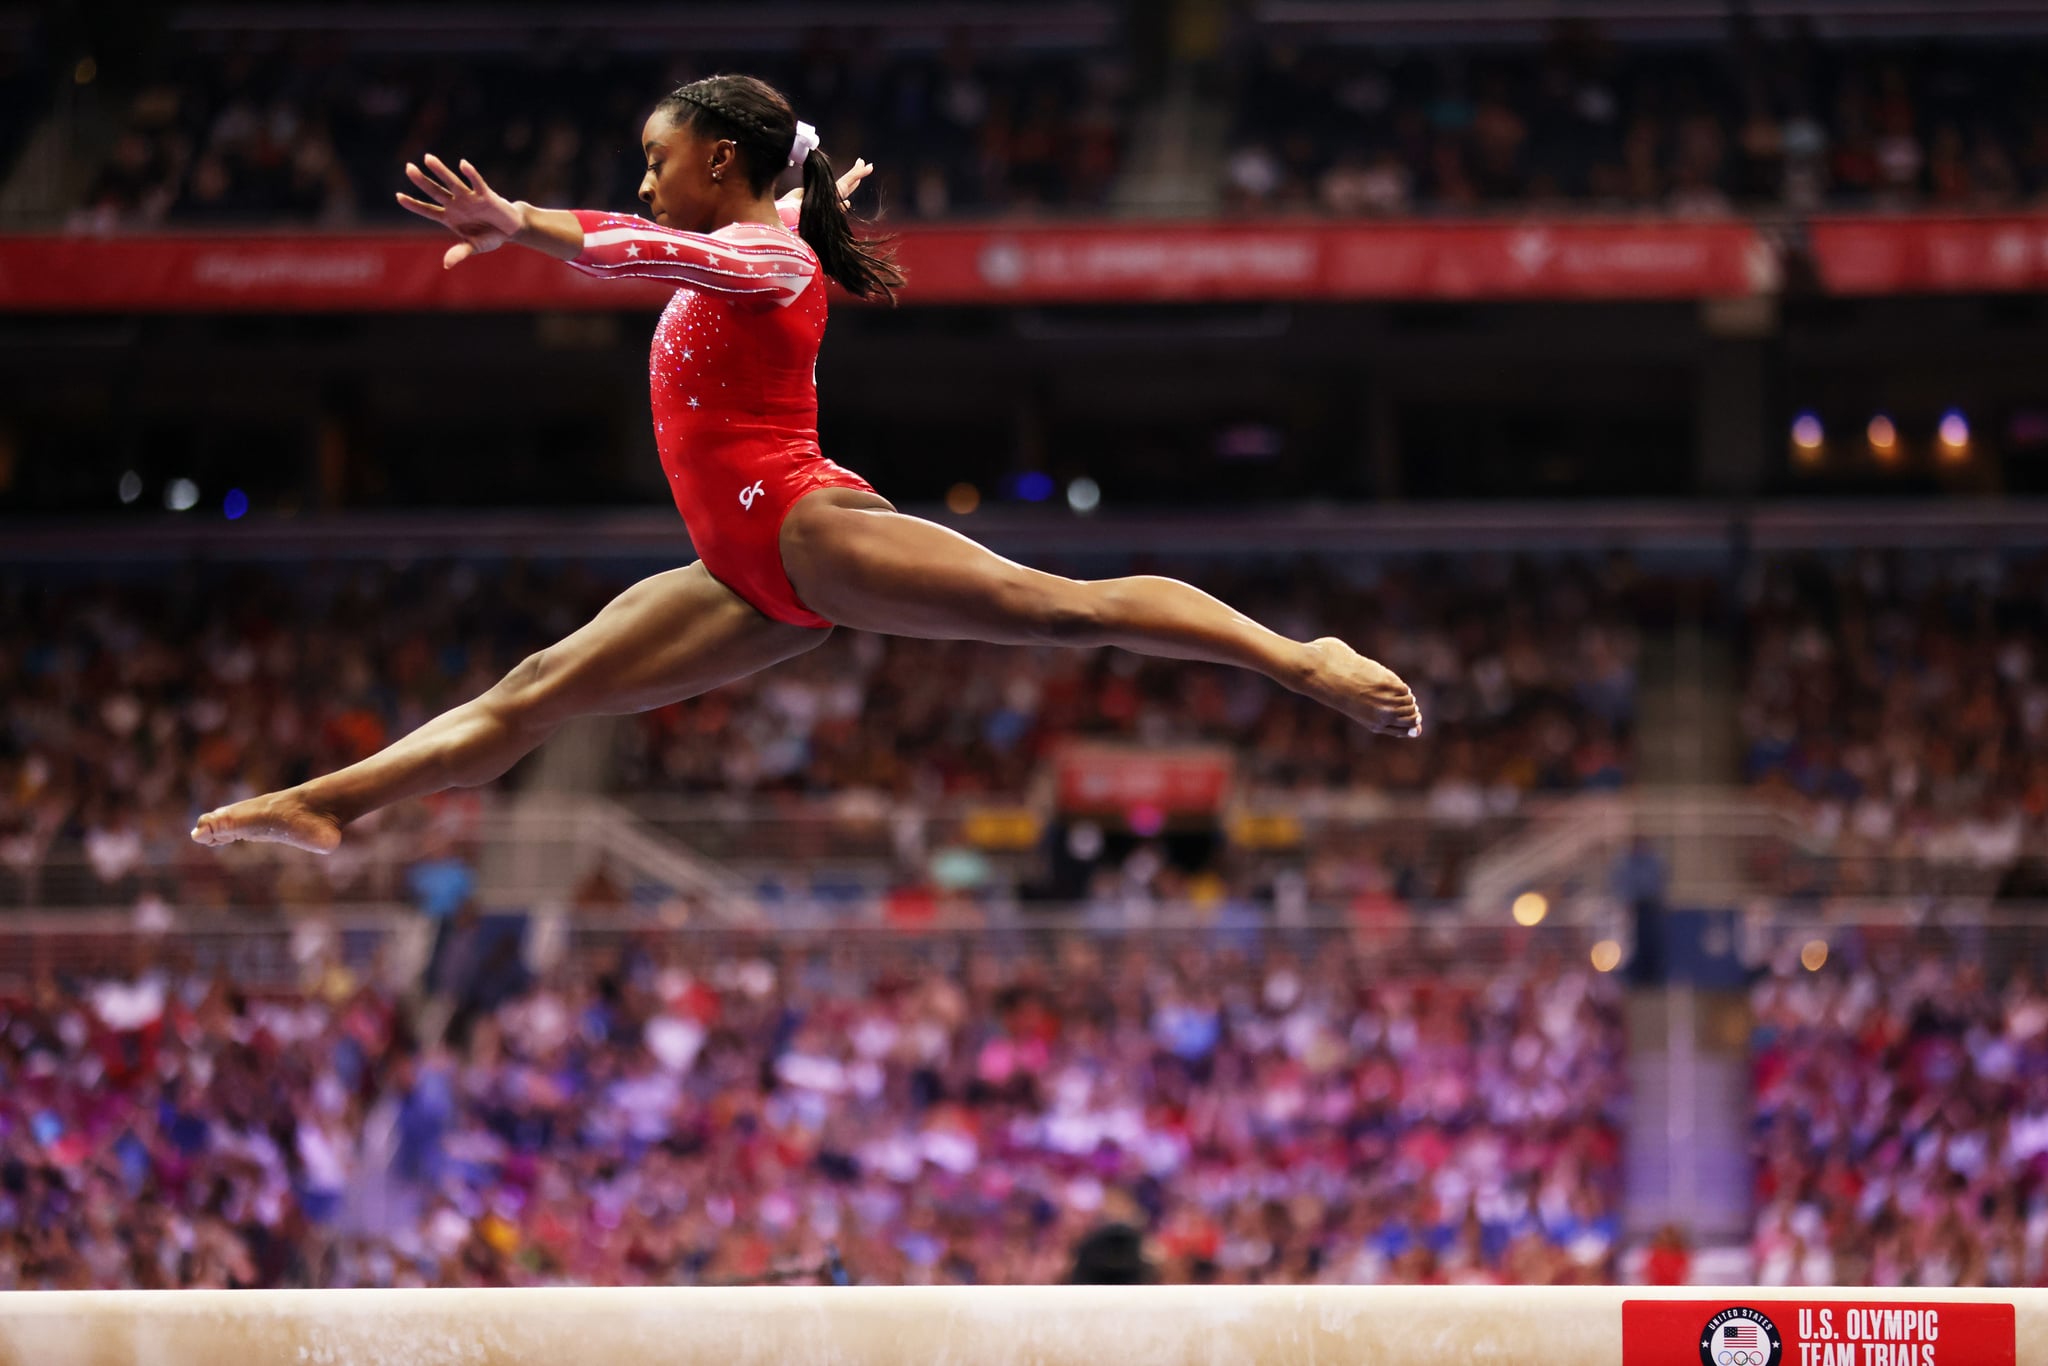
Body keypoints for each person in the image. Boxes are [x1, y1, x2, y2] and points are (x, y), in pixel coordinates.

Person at [192, 74, 1421, 855]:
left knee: (1060, 611)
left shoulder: (764, 260)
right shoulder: (772, 231)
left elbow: (650, 252)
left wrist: (526, 224)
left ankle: (1294, 659)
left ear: (716, 164)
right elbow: (740, 221)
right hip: (742, 575)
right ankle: (332, 803)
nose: (643, 177)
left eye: (657, 156)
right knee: (538, 686)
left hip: (800, 525)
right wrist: (800, 194)